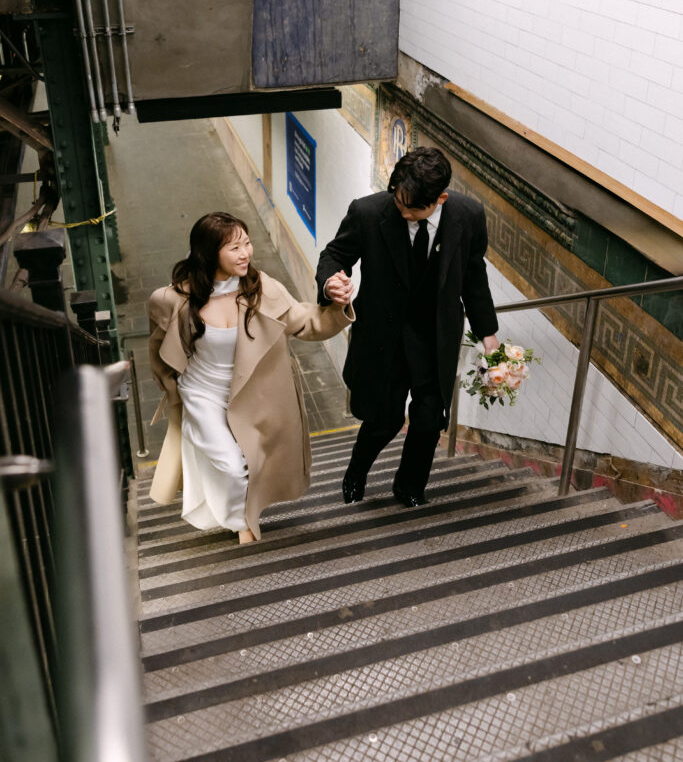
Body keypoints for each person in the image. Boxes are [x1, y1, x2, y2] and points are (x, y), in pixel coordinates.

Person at [148, 212, 354, 543]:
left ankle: (243, 516)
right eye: (234, 247)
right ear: (209, 253)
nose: (245, 253)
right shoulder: (172, 299)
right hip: (203, 393)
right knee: (232, 465)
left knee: (252, 462)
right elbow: (160, 349)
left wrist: (336, 306)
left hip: (251, 394)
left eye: (247, 243)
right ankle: (240, 521)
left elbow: (305, 321)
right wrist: (172, 388)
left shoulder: (263, 288)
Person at [316, 146, 499, 508]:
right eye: (398, 203)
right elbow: (334, 255)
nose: (402, 212)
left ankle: (410, 486)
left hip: (435, 339)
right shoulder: (368, 212)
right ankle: (356, 472)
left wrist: (488, 335)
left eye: (412, 209)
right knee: (382, 421)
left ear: (441, 198)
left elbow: (474, 277)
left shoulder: (469, 215)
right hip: (385, 337)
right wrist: (330, 283)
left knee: (430, 420)